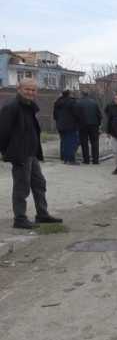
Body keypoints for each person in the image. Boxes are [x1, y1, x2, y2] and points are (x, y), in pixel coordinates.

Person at [0, 79, 63, 229]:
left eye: (33, 90)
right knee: (22, 187)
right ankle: (20, 219)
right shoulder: (12, 107)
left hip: (32, 153)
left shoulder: (29, 107)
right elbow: (2, 132)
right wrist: (8, 153)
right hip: (20, 155)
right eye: (27, 89)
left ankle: (42, 214)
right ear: (19, 89)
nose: (30, 92)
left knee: (39, 183)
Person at [53, 90, 81, 165]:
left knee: (63, 141)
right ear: (69, 94)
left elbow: (55, 115)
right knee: (71, 142)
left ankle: (64, 158)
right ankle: (71, 159)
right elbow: (76, 114)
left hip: (60, 125)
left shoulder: (57, 102)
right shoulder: (72, 102)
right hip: (70, 125)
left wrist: (59, 121)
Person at [76, 91, 103, 164]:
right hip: (94, 125)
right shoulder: (94, 103)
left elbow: (77, 115)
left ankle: (86, 160)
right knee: (94, 142)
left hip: (82, 125)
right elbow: (99, 115)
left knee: (84, 143)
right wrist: (99, 124)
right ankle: (95, 160)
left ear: (81, 95)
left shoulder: (78, 103)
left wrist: (77, 124)